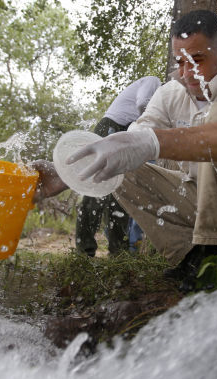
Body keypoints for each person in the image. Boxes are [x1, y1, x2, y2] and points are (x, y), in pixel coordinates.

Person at [34, 10, 217, 290]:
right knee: (125, 165)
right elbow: (133, 141)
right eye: (181, 62)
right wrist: (65, 173)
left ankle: (214, 251)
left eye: (198, 60)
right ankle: (193, 259)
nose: (187, 74)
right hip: (198, 202)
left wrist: (152, 142)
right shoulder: (170, 92)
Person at [76, 76, 161, 257]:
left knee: (121, 192)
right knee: (97, 190)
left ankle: (118, 252)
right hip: (112, 128)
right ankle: (84, 251)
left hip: (126, 132)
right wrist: (151, 132)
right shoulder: (154, 81)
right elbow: (143, 104)